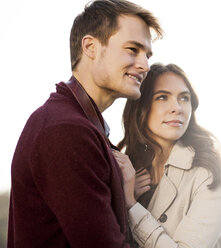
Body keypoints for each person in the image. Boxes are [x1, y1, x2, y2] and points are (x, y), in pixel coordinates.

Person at [7, 1, 163, 247]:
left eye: (147, 55)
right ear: (90, 46)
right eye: (133, 49)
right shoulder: (65, 130)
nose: (145, 65)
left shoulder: (78, 123)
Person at [115, 63, 221, 247]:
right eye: (162, 97)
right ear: (141, 108)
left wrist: (131, 206)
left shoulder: (209, 172)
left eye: (184, 98)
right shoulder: (129, 168)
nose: (177, 108)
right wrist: (124, 199)